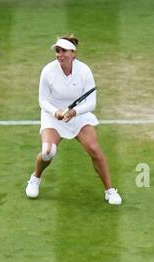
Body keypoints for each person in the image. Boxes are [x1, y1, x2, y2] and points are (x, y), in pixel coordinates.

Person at [24, 34, 122, 205]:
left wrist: (74, 112)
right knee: (48, 151)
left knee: (93, 148)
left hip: (78, 115)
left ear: (73, 53)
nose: (59, 54)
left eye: (63, 51)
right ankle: (35, 178)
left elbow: (91, 103)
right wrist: (56, 112)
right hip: (53, 115)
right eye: (57, 50)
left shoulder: (84, 71)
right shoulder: (48, 71)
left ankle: (110, 190)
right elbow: (43, 101)